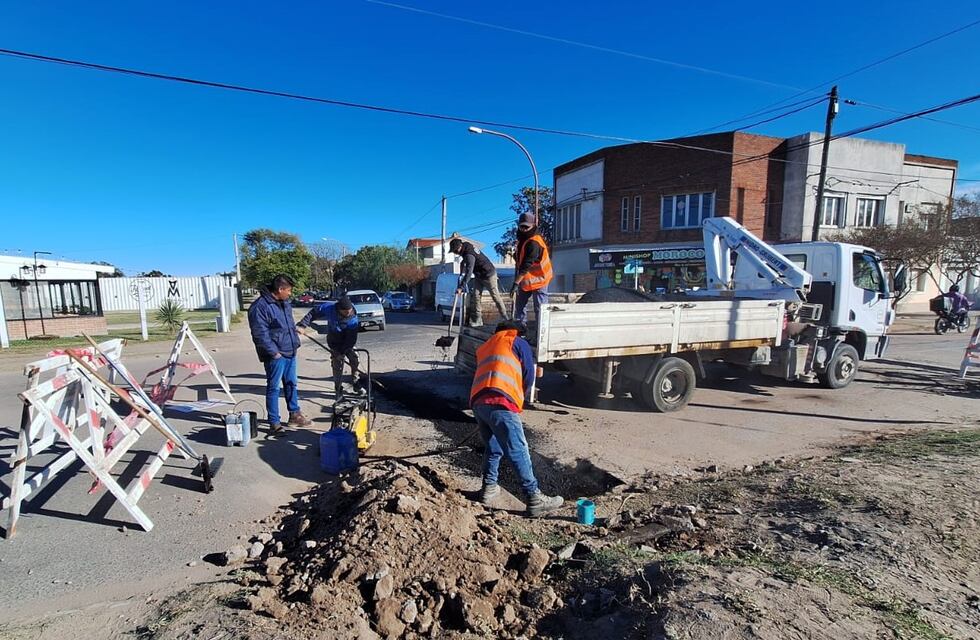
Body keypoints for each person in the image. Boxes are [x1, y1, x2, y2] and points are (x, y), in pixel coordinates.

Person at [470, 320, 563, 517]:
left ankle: (488, 488)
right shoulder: (516, 341)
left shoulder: (487, 345)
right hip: (501, 402)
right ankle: (534, 498)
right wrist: (519, 396)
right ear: (517, 332)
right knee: (518, 449)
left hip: (479, 403)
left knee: (493, 447)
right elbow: (528, 375)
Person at [247, 274, 312, 432]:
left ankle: (294, 415)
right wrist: (274, 353)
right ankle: (274, 422)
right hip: (276, 355)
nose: (290, 294)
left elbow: (287, 324)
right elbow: (259, 334)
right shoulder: (260, 307)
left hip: (290, 351)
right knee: (274, 388)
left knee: (291, 384)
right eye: (288, 290)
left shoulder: (284, 303)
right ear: (280, 289)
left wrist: (294, 338)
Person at [297, 297, 361, 400]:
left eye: (349, 311)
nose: (348, 313)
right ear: (339, 310)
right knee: (337, 365)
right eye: (346, 312)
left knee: (355, 359)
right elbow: (313, 313)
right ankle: (338, 388)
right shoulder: (330, 308)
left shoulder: (353, 319)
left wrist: (344, 352)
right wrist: (302, 325)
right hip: (334, 341)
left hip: (347, 341)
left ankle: (356, 382)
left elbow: (351, 340)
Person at [449, 237, 510, 327]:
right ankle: (478, 320)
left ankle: (506, 318)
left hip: (489, 275)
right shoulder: (466, 247)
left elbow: (469, 272)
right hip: (479, 275)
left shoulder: (469, 255)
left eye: (455, 251)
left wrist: (461, 287)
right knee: (476, 296)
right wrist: (462, 268)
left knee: (495, 296)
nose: (455, 253)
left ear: (459, 247)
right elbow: (464, 263)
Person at [511, 213, 553, 324]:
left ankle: (541, 332)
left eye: (527, 227)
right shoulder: (522, 239)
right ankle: (520, 330)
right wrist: (515, 254)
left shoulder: (535, 242)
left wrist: (515, 283)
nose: (524, 229)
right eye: (522, 227)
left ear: (533, 226)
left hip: (540, 279)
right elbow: (520, 260)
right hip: (526, 280)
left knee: (540, 309)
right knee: (519, 307)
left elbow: (526, 265)